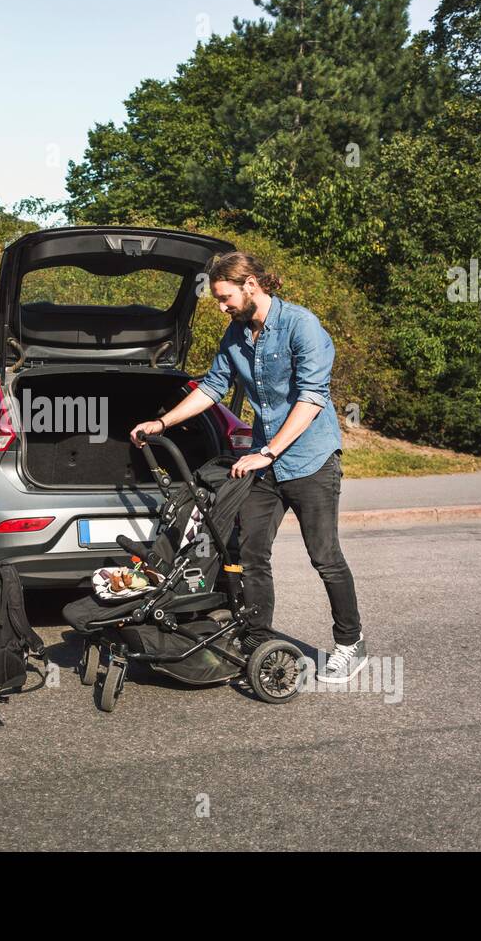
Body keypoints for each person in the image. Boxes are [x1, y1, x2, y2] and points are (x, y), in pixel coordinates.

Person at [130, 251, 366, 683]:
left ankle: (350, 644)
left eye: (225, 297)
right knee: (249, 552)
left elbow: (311, 399)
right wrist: (162, 421)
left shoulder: (301, 326)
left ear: (251, 285)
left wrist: (269, 451)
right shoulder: (236, 335)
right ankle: (257, 641)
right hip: (265, 461)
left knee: (325, 556)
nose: (222, 306)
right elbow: (214, 387)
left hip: (310, 460)